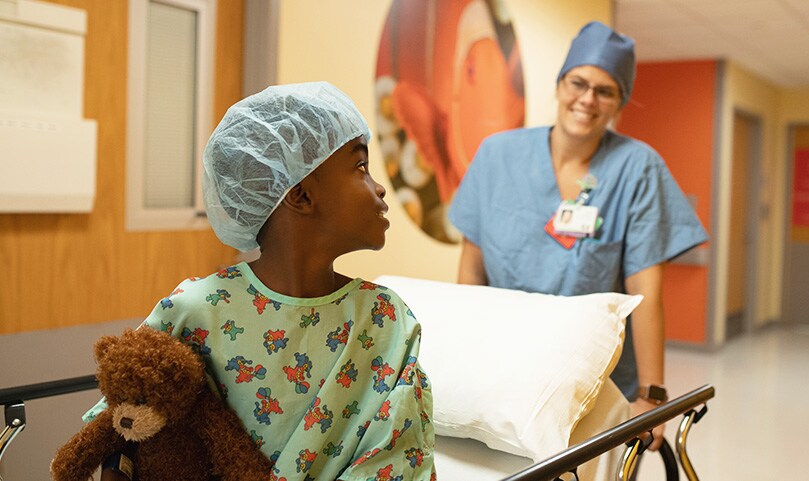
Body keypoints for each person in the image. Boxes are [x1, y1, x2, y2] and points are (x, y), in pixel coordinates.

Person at [89, 82, 436, 481]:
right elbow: (121, 429)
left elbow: (399, 458)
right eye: (360, 166)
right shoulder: (195, 310)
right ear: (301, 195)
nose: (378, 187)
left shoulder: (385, 322)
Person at [448, 21, 708, 453]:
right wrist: (460, 361)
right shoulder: (497, 155)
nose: (587, 99)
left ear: (620, 102)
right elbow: (469, 272)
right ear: (559, 84)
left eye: (605, 91)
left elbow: (647, 289)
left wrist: (653, 396)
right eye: (579, 83)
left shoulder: (637, 167)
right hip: (501, 367)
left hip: (594, 382)